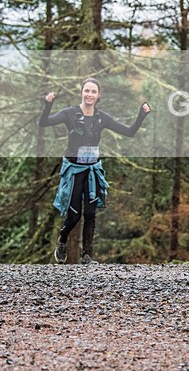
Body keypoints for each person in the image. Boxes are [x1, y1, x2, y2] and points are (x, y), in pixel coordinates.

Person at [40, 78, 150, 264]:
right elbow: (44, 122)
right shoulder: (69, 114)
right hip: (74, 170)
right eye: (87, 91)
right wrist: (48, 105)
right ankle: (63, 240)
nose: (89, 94)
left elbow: (129, 132)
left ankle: (87, 256)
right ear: (81, 93)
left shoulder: (101, 118)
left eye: (93, 92)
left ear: (98, 95)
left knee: (90, 214)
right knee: (74, 216)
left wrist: (142, 115)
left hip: (92, 170)